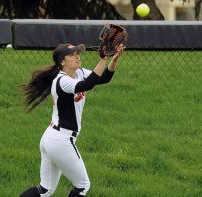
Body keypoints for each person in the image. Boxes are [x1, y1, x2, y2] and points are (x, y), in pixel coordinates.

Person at [20, 43, 124, 197]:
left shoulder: (80, 72)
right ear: (62, 62)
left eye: (78, 53)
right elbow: (87, 85)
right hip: (61, 140)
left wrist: (113, 60)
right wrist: (103, 59)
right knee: (82, 186)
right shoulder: (61, 80)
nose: (77, 56)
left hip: (52, 138)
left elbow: (103, 79)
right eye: (73, 54)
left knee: (45, 190)